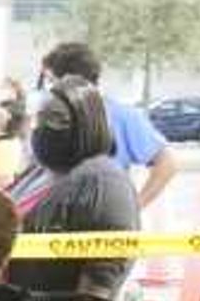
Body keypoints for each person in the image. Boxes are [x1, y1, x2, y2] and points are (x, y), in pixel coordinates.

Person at [6, 85, 141, 301]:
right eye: (40, 118)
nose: (44, 127)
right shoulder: (38, 170)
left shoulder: (103, 182)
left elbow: (100, 281)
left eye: (58, 119)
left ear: (87, 123)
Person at [41, 38, 181, 214]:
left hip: (106, 224)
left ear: (67, 82)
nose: (48, 89)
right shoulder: (52, 119)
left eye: (50, 80)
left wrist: (136, 205)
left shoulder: (122, 116)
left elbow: (168, 163)